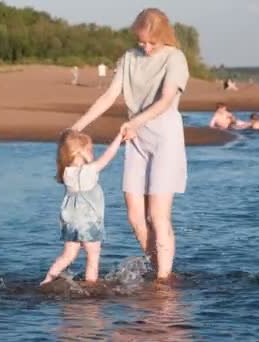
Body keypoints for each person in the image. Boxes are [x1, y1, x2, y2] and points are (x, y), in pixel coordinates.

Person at [71, 8, 190, 280]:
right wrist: (78, 126)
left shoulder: (175, 58)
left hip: (165, 139)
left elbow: (166, 100)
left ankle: (163, 280)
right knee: (135, 217)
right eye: (142, 42)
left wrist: (136, 122)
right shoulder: (128, 58)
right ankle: (159, 267)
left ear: (165, 38)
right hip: (135, 139)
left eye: (152, 43)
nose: (146, 48)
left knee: (158, 216)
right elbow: (109, 96)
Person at [41, 129, 123, 285]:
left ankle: (47, 280)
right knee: (93, 257)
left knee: (68, 255)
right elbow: (109, 155)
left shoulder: (66, 172)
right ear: (81, 152)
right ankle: (91, 286)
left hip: (69, 220)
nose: (93, 153)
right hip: (88, 220)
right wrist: (119, 137)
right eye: (90, 150)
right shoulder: (90, 170)